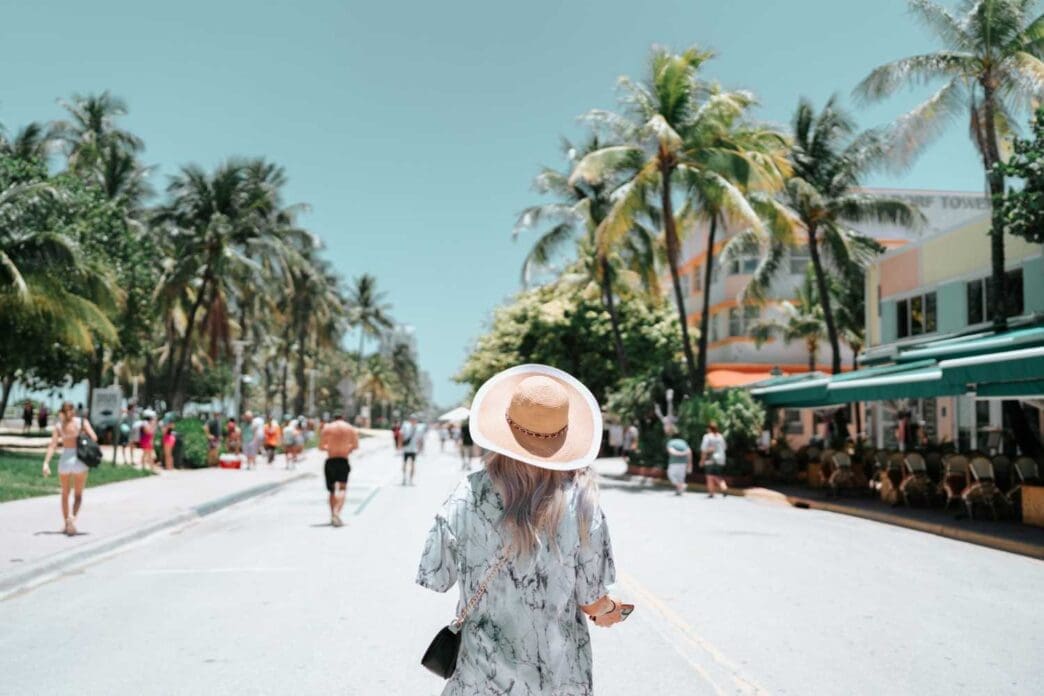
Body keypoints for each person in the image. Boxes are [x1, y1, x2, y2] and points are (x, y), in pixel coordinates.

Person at [417, 365, 629, 695]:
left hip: (479, 679)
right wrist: (611, 612)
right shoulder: (583, 505)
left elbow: (436, 575)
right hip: (556, 678)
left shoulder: (464, 494)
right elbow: (592, 600)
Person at [41, 401, 98, 536]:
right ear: (73, 410)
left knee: (65, 493)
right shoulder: (81, 422)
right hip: (79, 460)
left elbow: (53, 445)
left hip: (65, 460)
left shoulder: (59, 426)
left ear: (62, 412)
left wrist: (46, 463)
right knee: (78, 495)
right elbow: (94, 438)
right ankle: (72, 517)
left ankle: (66, 523)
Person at [319, 412, 360, 527]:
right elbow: (356, 446)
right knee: (342, 488)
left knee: (331, 490)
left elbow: (321, 447)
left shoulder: (327, 428)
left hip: (331, 460)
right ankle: (337, 513)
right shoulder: (350, 428)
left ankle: (333, 514)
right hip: (343, 460)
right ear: (343, 417)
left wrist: (330, 448)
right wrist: (347, 448)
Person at [700, 420, 728, 499]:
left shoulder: (707, 436)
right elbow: (725, 447)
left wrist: (702, 460)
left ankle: (711, 493)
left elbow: (704, 449)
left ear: (709, 429)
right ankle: (724, 487)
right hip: (721, 459)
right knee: (718, 475)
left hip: (711, 459)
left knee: (709, 476)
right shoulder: (720, 436)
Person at [665, 428, 692, 496]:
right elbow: (689, 452)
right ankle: (679, 491)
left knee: (671, 475)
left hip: (674, 463)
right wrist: (689, 463)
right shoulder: (683, 442)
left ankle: (681, 486)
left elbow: (672, 452)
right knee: (680, 478)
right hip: (683, 463)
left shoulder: (671, 442)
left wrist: (681, 454)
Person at [400, 414, 420, 485]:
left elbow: (418, 439)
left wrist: (418, 448)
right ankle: (404, 477)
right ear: (410, 420)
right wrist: (400, 445)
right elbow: (401, 435)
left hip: (414, 449)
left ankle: (411, 480)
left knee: (413, 464)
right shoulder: (405, 426)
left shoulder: (418, 428)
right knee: (405, 463)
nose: (413, 420)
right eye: (412, 419)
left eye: (414, 419)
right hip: (406, 448)